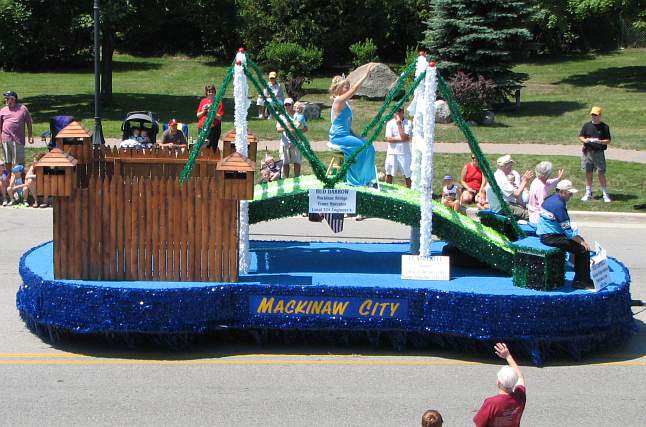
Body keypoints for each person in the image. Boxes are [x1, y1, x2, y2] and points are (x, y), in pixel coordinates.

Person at [536, 179, 594, 289]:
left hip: (547, 233)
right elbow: (568, 231)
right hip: (550, 237)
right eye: (570, 193)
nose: (571, 196)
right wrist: (582, 241)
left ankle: (582, 278)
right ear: (562, 192)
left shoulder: (551, 199)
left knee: (579, 243)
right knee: (583, 249)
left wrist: (578, 238)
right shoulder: (558, 205)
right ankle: (581, 282)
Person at [329, 64, 377, 186]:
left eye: (348, 87)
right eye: (346, 87)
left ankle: (366, 178)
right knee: (362, 148)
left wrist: (355, 135)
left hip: (345, 134)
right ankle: (355, 180)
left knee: (369, 147)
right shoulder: (339, 100)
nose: (349, 88)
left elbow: (346, 124)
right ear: (339, 88)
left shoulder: (344, 102)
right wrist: (366, 74)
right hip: (338, 137)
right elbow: (355, 89)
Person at [473, 343, 526, 427]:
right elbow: (520, 377)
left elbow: (479, 424)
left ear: (498, 383)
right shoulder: (520, 396)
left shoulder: (491, 403)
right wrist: (508, 356)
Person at [484, 155, 533, 220]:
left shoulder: (496, 175)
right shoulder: (501, 179)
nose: (511, 168)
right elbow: (516, 194)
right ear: (506, 166)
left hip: (498, 206)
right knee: (530, 215)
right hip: (502, 209)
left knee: (525, 208)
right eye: (511, 166)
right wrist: (525, 181)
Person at [579, 106, 611, 202]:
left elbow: (608, 140)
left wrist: (600, 142)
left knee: (600, 173)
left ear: (600, 115)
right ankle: (588, 192)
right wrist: (586, 140)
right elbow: (581, 136)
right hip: (587, 153)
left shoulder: (604, 127)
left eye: (596, 115)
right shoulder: (586, 125)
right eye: (592, 114)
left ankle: (605, 194)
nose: (594, 116)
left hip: (599, 153)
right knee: (588, 172)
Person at [0, 91, 34, 171]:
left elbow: (29, 123)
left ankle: (20, 180)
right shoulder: (3, 110)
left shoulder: (22, 109)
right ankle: (8, 179)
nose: (5, 100)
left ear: (13, 99)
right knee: (7, 161)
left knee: (19, 163)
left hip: (18, 140)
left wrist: (30, 136)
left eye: (7, 98)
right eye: (6, 98)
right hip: (5, 139)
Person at [276, 98, 306, 179]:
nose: (287, 106)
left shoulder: (298, 116)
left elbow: (306, 128)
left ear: (292, 105)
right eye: (285, 105)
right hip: (285, 143)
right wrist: (287, 128)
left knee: (297, 162)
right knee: (285, 163)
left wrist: (298, 130)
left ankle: (297, 179)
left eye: (289, 104)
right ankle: (286, 180)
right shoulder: (281, 116)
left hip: (297, 143)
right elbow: (278, 129)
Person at [527, 161, 564, 226]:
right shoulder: (541, 188)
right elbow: (544, 208)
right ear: (547, 174)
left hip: (533, 216)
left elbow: (549, 183)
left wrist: (558, 178)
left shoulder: (537, 180)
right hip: (538, 220)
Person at [384, 107, 412, 188]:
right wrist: (402, 139)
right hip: (392, 153)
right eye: (396, 112)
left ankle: (410, 192)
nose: (398, 114)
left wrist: (399, 124)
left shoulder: (408, 123)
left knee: (408, 175)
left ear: (403, 112)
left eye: (400, 111)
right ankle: (387, 192)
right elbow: (389, 139)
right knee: (389, 174)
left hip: (404, 153)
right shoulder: (389, 123)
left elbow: (406, 138)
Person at [196, 84, 224, 153]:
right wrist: (204, 111)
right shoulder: (203, 101)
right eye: (209, 92)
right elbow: (198, 115)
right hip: (202, 127)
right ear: (206, 93)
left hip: (213, 129)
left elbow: (220, 117)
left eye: (212, 91)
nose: (210, 93)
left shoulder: (218, 102)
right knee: (202, 147)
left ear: (215, 92)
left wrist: (211, 111)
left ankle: (212, 163)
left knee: (212, 148)